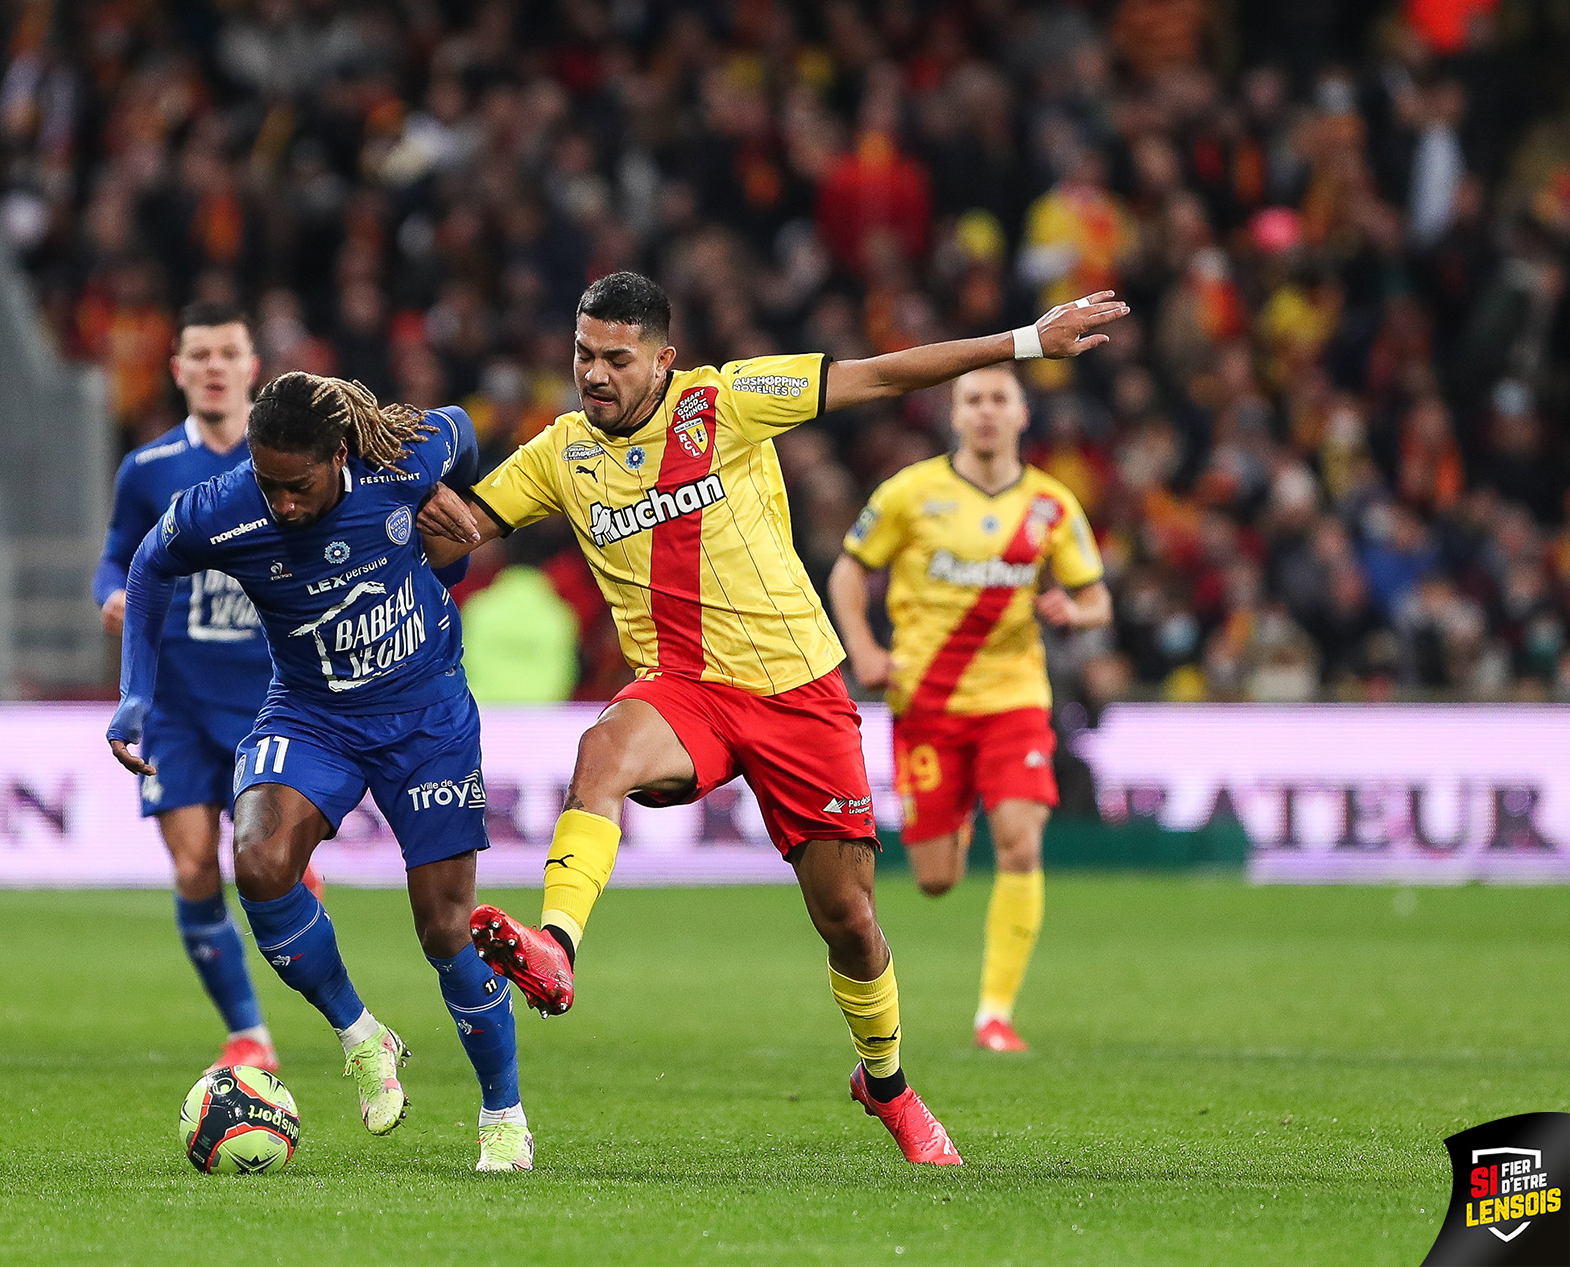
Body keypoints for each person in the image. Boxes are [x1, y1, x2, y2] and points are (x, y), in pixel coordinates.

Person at [415, 271, 1125, 1165]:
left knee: (850, 921)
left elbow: (881, 374)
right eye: (582, 355)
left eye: (616, 359)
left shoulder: (732, 400)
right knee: (601, 750)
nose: (593, 374)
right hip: (687, 692)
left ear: (665, 361)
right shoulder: (560, 453)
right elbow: (458, 532)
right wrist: (386, 491)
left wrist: (1025, 341)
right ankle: (555, 946)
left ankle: (887, 1083)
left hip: (800, 693)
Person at [106, 372, 535, 1174]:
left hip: (426, 715)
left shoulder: (402, 461)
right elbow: (148, 565)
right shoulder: (226, 505)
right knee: (260, 861)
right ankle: (362, 1035)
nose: (282, 505)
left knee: (446, 928)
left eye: (298, 487)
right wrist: (136, 694)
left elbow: (465, 427)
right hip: (311, 714)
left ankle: (502, 1110)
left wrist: (454, 497)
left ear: (338, 455)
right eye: (269, 484)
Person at [828, 366, 1114, 1055]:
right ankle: (951, 821)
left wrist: (1074, 611)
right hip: (925, 702)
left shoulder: (1051, 504)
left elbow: (1098, 596)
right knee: (934, 878)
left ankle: (995, 1013)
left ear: (1022, 414)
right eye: (973, 400)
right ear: (955, 415)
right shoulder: (909, 493)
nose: (986, 411)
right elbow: (847, 568)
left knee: (1020, 843)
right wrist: (863, 647)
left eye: (999, 400)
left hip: (1014, 698)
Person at [93, 301, 317, 1077]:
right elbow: (116, 556)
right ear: (179, 369)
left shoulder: (291, 461)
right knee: (194, 867)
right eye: (200, 354)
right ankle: (248, 1031)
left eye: (228, 352)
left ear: (254, 367)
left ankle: (300, 895)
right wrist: (110, 597)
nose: (215, 366)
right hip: (182, 706)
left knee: (269, 860)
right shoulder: (149, 471)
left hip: (274, 699)